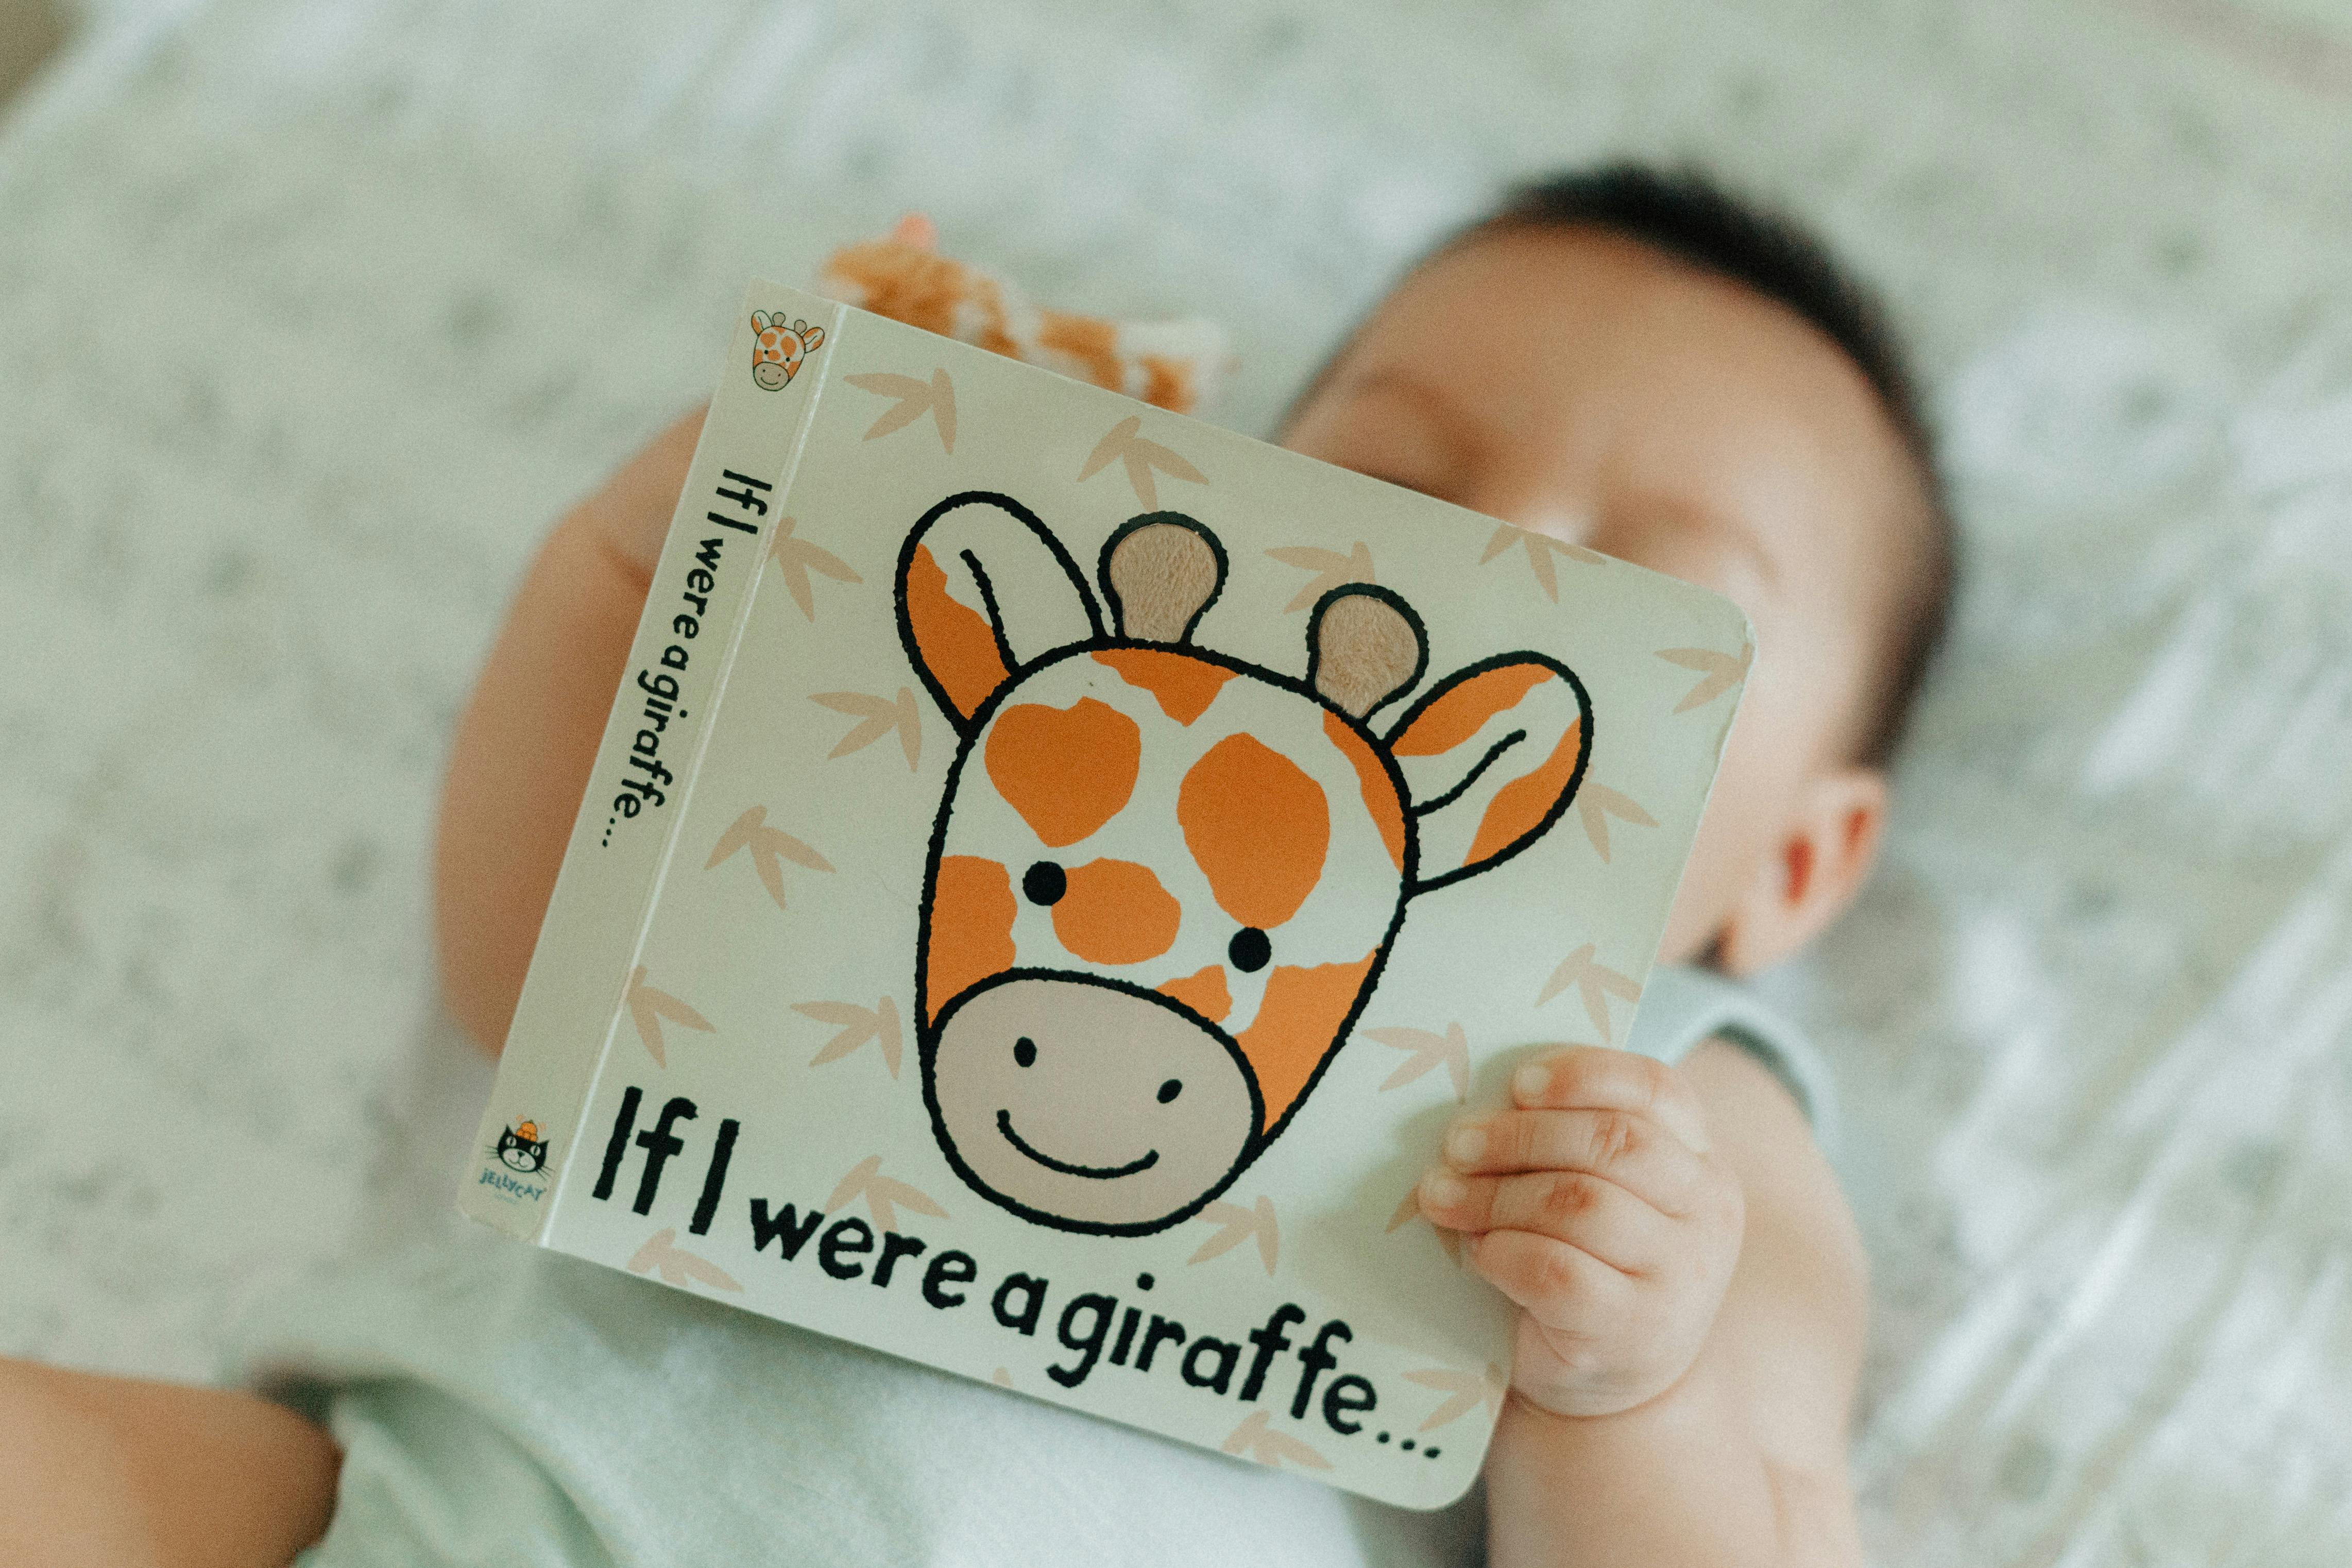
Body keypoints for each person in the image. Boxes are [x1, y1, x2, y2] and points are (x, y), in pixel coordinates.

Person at [0, 164, 1952, 1567]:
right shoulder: (986, 745)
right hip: (462, 1484)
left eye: (1652, 590)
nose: (1488, 562)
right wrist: (654, 556)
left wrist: (1633, 1379)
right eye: (1397, 483)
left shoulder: (1684, 1107)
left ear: (1801, 862)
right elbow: (539, 977)